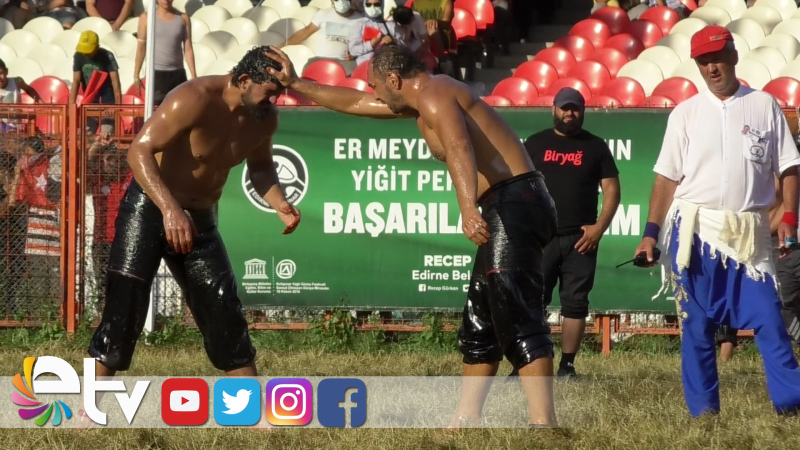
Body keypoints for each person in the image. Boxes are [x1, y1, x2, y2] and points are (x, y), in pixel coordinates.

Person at [266, 44, 559, 427]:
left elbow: (459, 146)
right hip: (506, 202)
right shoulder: (421, 102)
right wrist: (296, 83)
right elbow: (355, 103)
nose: (373, 92)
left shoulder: (436, 92)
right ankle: (466, 419)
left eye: (375, 84)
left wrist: (467, 208)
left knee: (515, 310)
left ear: (394, 79)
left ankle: (543, 423)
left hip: (515, 201)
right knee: (481, 316)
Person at [81, 46, 301, 422]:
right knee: (125, 305)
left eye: (279, 93)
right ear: (244, 80)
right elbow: (139, 152)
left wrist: (279, 202)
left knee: (222, 305)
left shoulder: (264, 118)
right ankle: (88, 409)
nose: (274, 101)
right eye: (269, 92)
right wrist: (169, 209)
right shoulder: (193, 97)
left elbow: (262, 167)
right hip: (150, 207)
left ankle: (252, 411)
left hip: (200, 218)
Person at [634, 25, 800, 417]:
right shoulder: (685, 113)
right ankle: (704, 412)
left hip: (750, 233)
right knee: (696, 326)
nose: (711, 68)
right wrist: (650, 233)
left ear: (734, 57)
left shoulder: (764, 105)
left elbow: (790, 167)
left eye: (718, 59)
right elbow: (666, 178)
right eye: (703, 62)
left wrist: (790, 218)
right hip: (696, 232)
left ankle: (791, 403)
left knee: (769, 318)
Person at [518, 87, 621, 379]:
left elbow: (612, 190)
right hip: (541, 238)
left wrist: (599, 228)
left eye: (575, 108)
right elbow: (518, 185)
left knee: (575, 303)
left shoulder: (596, 146)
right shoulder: (535, 144)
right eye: (564, 108)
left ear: (583, 111)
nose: (569, 113)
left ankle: (567, 366)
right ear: (553, 109)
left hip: (581, 240)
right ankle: (527, 362)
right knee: (532, 302)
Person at [133, 0, 197, 106]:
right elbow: (141, 47)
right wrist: (136, 74)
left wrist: (193, 75)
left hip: (178, 73)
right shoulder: (146, 18)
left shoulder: (183, 18)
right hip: (156, 74)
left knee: (180, 108)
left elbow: (188, 47)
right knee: (158, 109)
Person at [280, 0, 363, 74]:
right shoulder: (323, 14)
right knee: (306, 76)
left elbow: (367, 45)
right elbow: (304, 33)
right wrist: (282, 46)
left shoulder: (361, 20)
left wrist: (355, 54)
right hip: (319, 59)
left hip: (345, 63)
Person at [69, 30, 122, 134]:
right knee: (84, 134)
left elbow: (116, 83)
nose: (86, 53)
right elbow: (76, 81)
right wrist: (72, 105)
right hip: (90, 102)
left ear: (96, 47)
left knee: (106, 134)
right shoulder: (78, 56)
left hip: (107, 102)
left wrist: (116, 106)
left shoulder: (107, 56)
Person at [348, 0, 400, 65]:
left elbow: (404, 46)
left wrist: (393, 40)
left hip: (387, 64)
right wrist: (371, 44)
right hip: (366, 65)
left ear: (382, 5)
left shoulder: (390, 25)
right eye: (369, 5)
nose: (372, 7)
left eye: (376, 4)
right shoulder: (359, 24)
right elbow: (353, 50)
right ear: (364, 6)